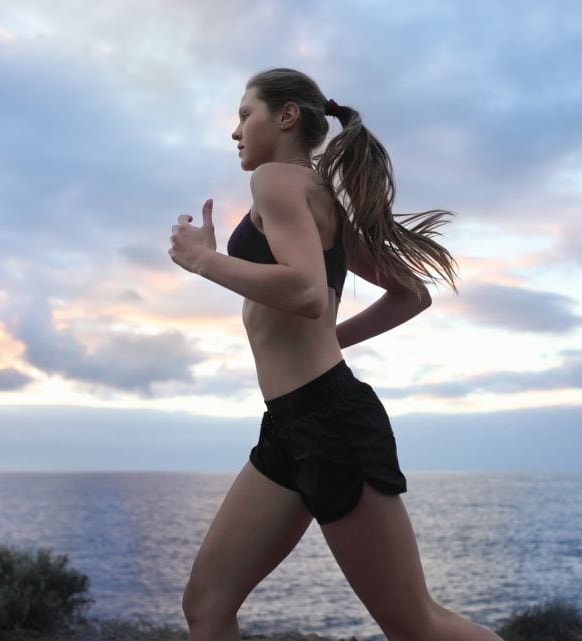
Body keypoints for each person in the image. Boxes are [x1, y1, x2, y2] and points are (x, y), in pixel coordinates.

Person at [169, 68, 502, 641]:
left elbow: (302, 292)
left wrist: (204, 261)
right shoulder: (320, 199)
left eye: (245, 114)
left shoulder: (277, 180)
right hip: (289, 426)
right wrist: (333, 340)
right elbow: (411, 295)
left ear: (287, 116)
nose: (236, 131)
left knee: (415, 625)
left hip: (330, 423)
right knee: (206, 604)